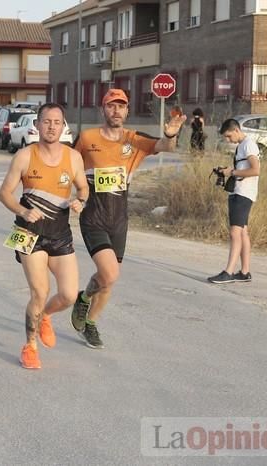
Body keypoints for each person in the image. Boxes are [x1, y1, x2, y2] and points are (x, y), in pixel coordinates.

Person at [71, 89, 185, 349]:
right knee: (110, 274)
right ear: (104, 109)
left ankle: (88, 313)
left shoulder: (135, 140)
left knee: (109, 278)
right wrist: (76, 195)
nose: (116, 111)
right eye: (111, 106)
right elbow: (69, 164)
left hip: (119, 219)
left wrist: (171, 132)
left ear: (127, 111)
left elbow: (165, 146)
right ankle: (86, 304)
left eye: (121, 107)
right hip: (93, 216)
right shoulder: (87, 138)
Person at [0, 102, 89, 369]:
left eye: (57, 122)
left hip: (60, 233)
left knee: (70, 295)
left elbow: (83, 189)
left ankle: (46, 316)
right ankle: (30, 346)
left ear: (63, 126)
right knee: (40, 291)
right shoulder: (25, 156)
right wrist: (22, 211)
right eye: (46, 122)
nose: (51, 127)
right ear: (37, 125)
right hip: (28, 232)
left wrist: (79, 201)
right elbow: (4, 193)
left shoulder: (73, 158)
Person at [207, 118, 261, 284]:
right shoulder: (243, 146)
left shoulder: (248, 145)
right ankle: (244, 272)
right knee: (243, 232)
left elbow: (255, 170)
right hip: (242, 192)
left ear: (236, 130)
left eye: (229, 136)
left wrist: (232, 172)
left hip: (243, 194)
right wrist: (228, 171)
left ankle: (228, 272)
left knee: (235, 232)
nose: (228, 140)